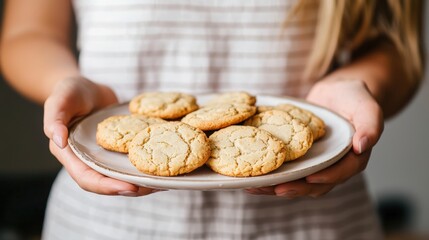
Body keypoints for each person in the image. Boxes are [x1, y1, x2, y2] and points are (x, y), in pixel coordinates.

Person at [0, 0, 424, 239]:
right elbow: (26, 34)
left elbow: (398, 46)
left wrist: (359, 83)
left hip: (314, 221)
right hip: (103, 223)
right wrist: (66, 82)